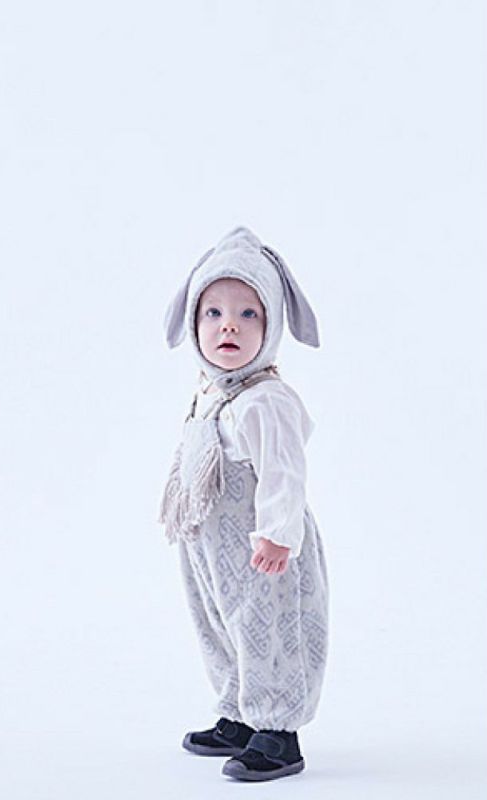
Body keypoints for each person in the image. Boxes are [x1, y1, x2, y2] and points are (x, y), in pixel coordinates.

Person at [159, 226, 329, 782]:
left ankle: (278, 730)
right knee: (216, 621)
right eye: (213, 313)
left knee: (267, 627)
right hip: (211, 543)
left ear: (272, 325)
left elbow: (284, 472)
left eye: (248, 314)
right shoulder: (210, 392)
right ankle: (238, 711)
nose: (228, 325)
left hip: (261, 549)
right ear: (193, 323)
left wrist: (278, 533)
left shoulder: (266, 400)